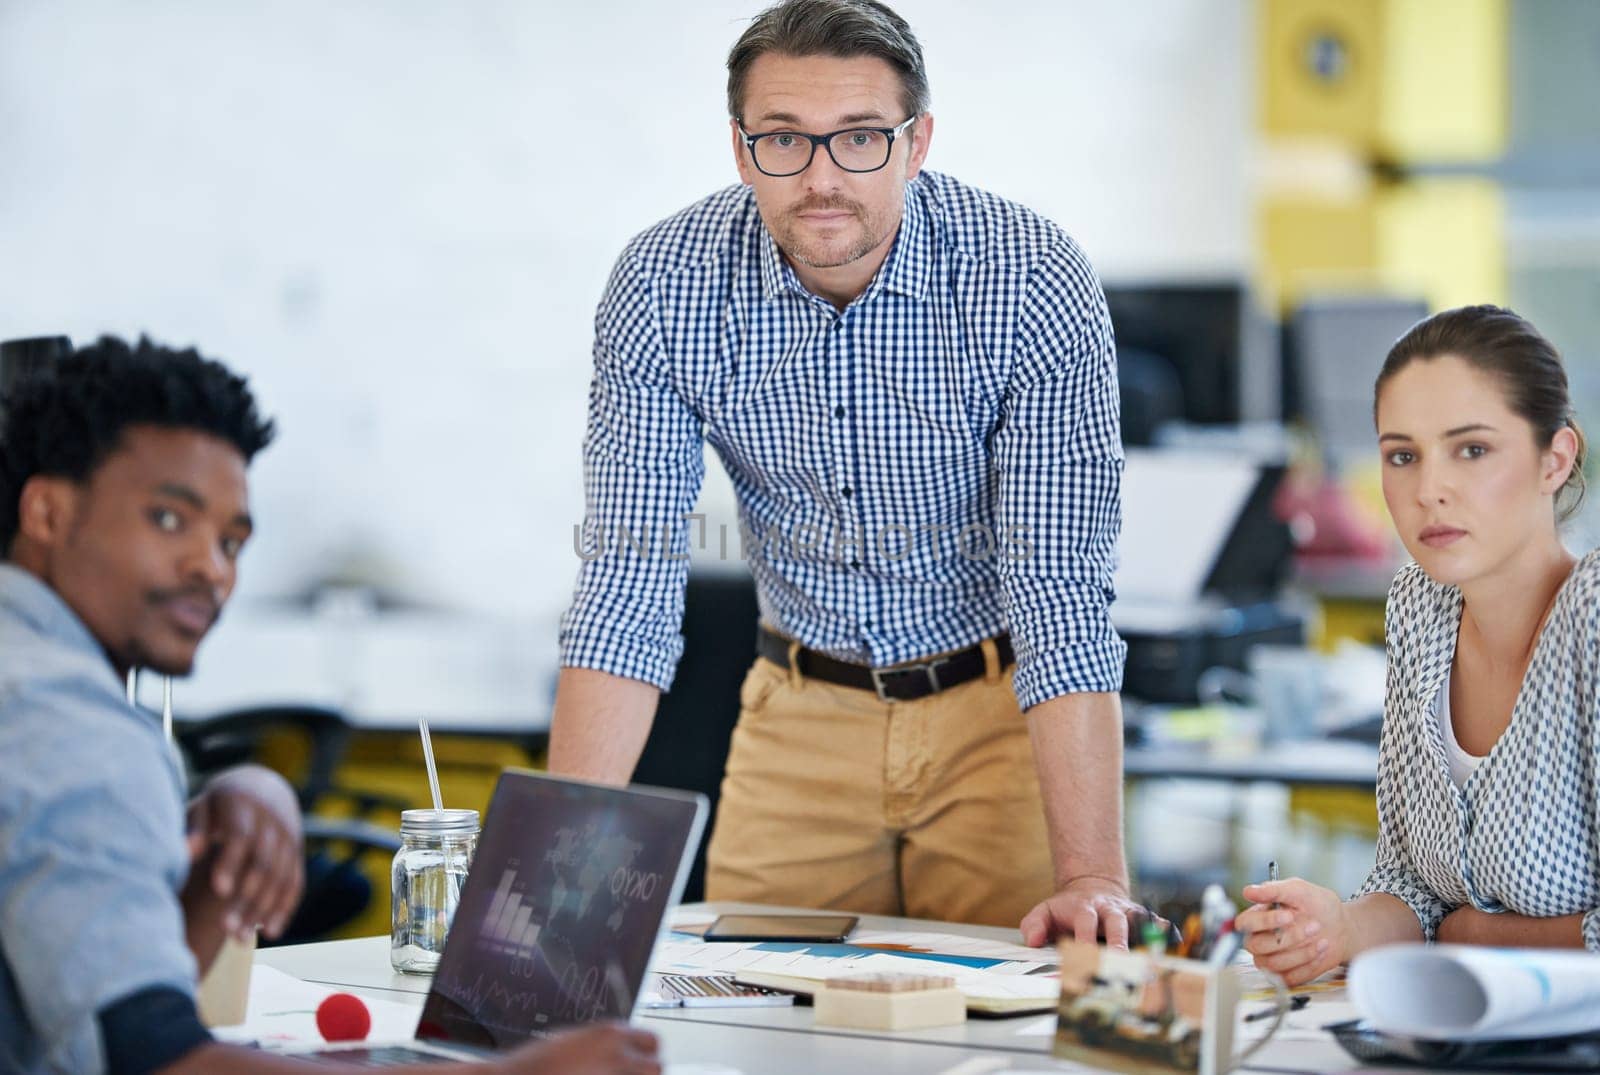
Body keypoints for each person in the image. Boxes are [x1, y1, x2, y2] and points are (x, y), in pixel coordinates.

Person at [551, 0, 1141, 944]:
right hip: (798, 714)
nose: (823, 178)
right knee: (755, 1020)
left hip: (1001, 713)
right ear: (741, 150)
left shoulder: (1029, 277)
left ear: (917, 143)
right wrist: (558, 864)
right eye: (784, 139)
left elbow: (1058, 587)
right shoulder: (665, 285)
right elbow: (629, 578)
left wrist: (1093, 875)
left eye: (862, 137)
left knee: (1028, 1018)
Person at [0, 336, 660, 1074]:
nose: (210, 568)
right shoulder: (69, 723)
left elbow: (101, 1012)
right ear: (47, 512)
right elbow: (155, 1058)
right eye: (167, 519)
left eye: (231, 540)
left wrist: (242, 802)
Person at [1240, 305, 1600, 986]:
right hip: (1459, 1026)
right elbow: (1413, 889)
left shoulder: (1592, 616)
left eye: (1472, 449)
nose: (1429, 490)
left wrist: (1471, 931)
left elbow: (1450, 926)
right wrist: (1337, 928)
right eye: (1403, 456)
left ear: (1555, 459)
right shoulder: (1422, 604)